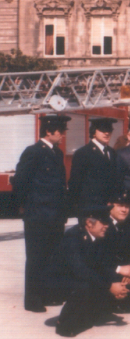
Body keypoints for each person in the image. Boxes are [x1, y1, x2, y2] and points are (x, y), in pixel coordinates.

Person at [13, 114, 71, 312]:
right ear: (48, 131)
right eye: (60, 131)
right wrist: (28, 206)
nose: (63, 135)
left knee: (51, 256)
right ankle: (33, 299)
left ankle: (47, 294)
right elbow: (20, 181)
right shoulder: (33, 152)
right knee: (36, 257)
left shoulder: (57, 153)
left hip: (54, 215)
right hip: (38, 215)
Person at [52, 206, 130, 338]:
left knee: (98, 280)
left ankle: (88, 315)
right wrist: (109, 286)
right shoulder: (73, 237)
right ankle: (64, 324)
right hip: (56, 281)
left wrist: (116, 283)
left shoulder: (97, 236)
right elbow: (80, 270)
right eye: (103, 222)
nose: (107, 226)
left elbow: (101, 265)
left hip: (77, 276)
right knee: (85, 285)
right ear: (89, 223)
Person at [69, 117, 123, 212]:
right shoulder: (83, 153)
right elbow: (75, 183)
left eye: (109, 130)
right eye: (102, 130)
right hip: (90, 206)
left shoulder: (112, 152)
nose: (107, 133)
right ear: (93, 132)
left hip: (109, 205)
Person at [103, 189, 130, 312]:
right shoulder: (102, 224)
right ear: (109, 206)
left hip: (127, 272)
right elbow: (98, 259)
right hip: (108, 271)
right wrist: (120, 269)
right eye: (120, 206)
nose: (124, 210)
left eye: (127, 206)